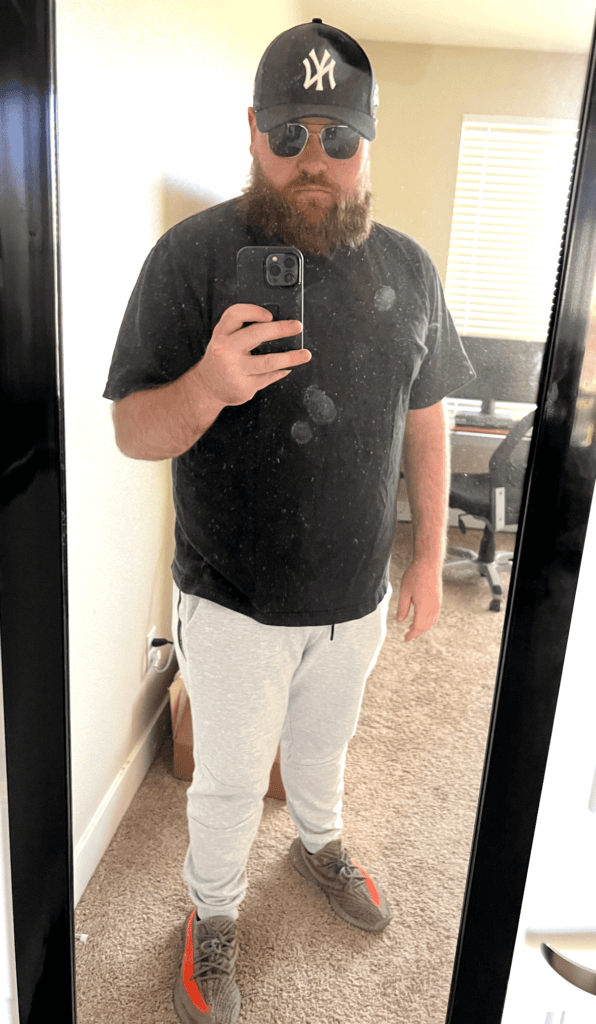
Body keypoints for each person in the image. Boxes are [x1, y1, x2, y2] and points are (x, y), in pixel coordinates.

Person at [103, 19, 475, 1024]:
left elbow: (428, 419)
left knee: (324, 748)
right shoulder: (189, 258)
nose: (314, 159)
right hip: (233, 600)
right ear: (253, 132)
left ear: (368, 143)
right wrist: (209, 384)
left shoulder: (410, 269)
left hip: (355, 597)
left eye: (338, 136)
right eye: (289, 133)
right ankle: (211, 912)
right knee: (228, 782)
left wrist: (427, 558)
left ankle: (319, 844)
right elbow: (134, 431)